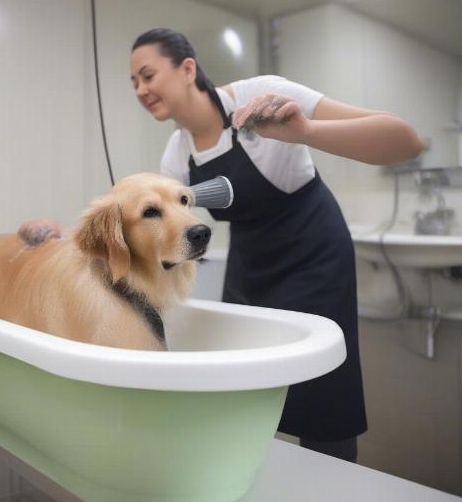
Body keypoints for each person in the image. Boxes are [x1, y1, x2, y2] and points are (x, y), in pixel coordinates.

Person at [129, 27, 425, 463]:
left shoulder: (264, 97)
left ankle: (332, 490)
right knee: (244, 384)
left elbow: (405, 140)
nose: (141, 89)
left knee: (322, 394)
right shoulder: (176, 157)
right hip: (250, 262)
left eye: (147, 75)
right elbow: (165, 239)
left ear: (188, 68)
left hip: (313, 253)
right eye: (133, 82)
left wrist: (304, 131)